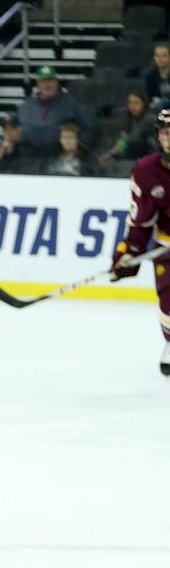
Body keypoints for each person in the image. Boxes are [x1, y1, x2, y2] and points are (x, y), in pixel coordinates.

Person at [109, 107, 170, 377]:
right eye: (166, 132)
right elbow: (141, 221)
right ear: (159, 136)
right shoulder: (146, 171)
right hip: (167, 244)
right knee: (168, 296)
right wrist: (128, 252)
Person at [16, 65, 91, 159]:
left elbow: (88, 128)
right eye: (44, 81)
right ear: (38, 85)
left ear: (57, 83)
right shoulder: (26, 105)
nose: (47, 85)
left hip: (59, 157)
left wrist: (78, 148)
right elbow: (12, 129)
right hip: (28, 158)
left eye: (50, 80)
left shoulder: (71, 103)